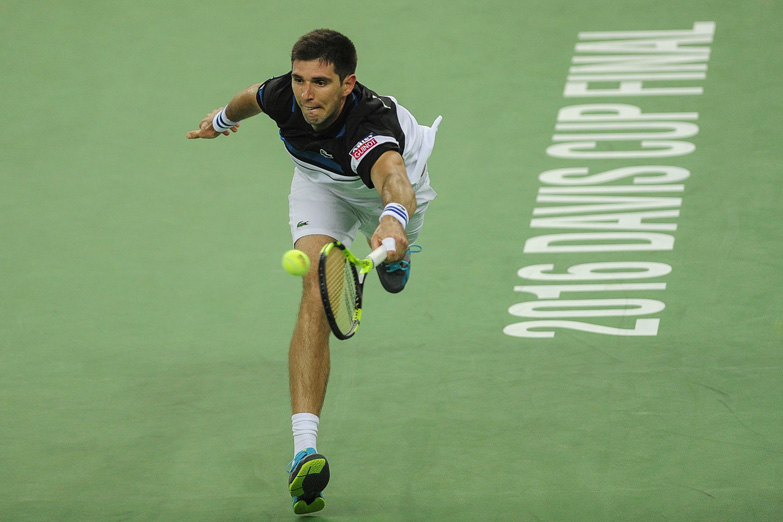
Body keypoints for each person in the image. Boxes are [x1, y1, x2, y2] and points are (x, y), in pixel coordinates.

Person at [186, 28, 440, 515]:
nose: (306, 94)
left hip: (389, 195)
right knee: (316, 289)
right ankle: (304, 450)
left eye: (321, 82)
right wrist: (220, 121)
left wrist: (393, 220)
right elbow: (250, 98)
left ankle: (398, 251)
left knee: (393, 233)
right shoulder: (284, 95)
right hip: (319, 186)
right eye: (300, 79)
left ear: (348, 83)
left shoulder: (370, 126)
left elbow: (393, 178)